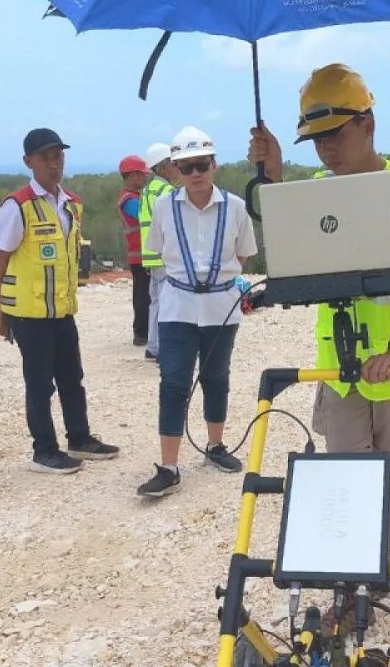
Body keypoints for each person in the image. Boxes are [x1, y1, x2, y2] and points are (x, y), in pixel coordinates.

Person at [247, 63, 390, 539]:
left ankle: (369, 573)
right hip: (339, 373)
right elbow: (294, 260)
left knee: (389, 485)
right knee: (342, 481)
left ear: (368, 124)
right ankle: (345, 577)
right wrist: (271, 178)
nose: (326, 148)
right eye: (316, 139)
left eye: (336, 133)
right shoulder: (315, 191)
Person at [137, 125, 259, 497]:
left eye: (201, 165)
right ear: (175, 168)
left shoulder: (236, 207)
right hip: (178, 305)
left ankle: (215, 445)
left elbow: (244, 254)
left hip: (221, 306)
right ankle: (169, 466)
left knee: (216, 377)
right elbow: (158, 248)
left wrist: (219, 278)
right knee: (173, 383)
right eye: (186, 167)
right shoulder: (163, 206)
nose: (194, 174)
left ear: (214, 164)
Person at [0, 128, 120, 474]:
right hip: (29, 314)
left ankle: (80, 438)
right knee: (39, 383)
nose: (53, 163)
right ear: (28, 161)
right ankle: (44, 450)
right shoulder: (17, 206)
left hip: (61, 309)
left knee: (71, 377)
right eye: (45, 157)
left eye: (58, 156)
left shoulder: (71, 204)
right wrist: (2, 308)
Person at [138, 142, 181, 363]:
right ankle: (163, 349)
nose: (178, 168)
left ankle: (153, 347)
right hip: (165, 255)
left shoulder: (146, 191)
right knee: (168, 302)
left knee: (156, 302)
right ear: (163, 166)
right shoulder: (166, 191)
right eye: (174, 164)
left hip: (151, 255)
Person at [118, 154, 152, 347]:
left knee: (145, 293)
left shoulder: (133, 197)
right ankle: (141, 333)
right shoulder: (129, 200)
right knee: (142, 295)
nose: (145, 178)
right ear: (132, 176)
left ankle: (145, 330)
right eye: (141, 174)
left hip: (142, 253)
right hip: (139, 254)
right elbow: (145, 216)